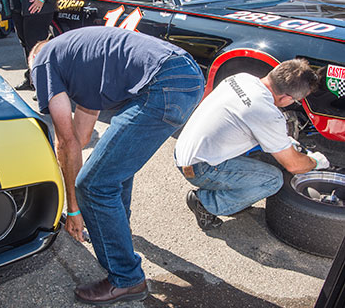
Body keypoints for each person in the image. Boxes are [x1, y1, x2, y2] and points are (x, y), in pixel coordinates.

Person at [29, 26, 204, 305]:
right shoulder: (81, 59)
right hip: (188, 75)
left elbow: (66, 142)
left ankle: (126, 279)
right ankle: (117, 233)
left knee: (93, 185)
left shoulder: (43, 60)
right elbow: (82, 137)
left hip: (164, 81)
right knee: (112, 169)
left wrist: (73, 209)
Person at [174, 59, 330, 231]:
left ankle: (236, 191)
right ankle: (206, 203)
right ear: (285, 97)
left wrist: (283, 142)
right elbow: (294, 165)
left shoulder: (242, 78)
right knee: (273, 180)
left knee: (269, 156)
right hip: (200, 168)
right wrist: (315, 162)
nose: (294, 103)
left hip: (185, 149)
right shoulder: (266, 112)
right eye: (296, 100)